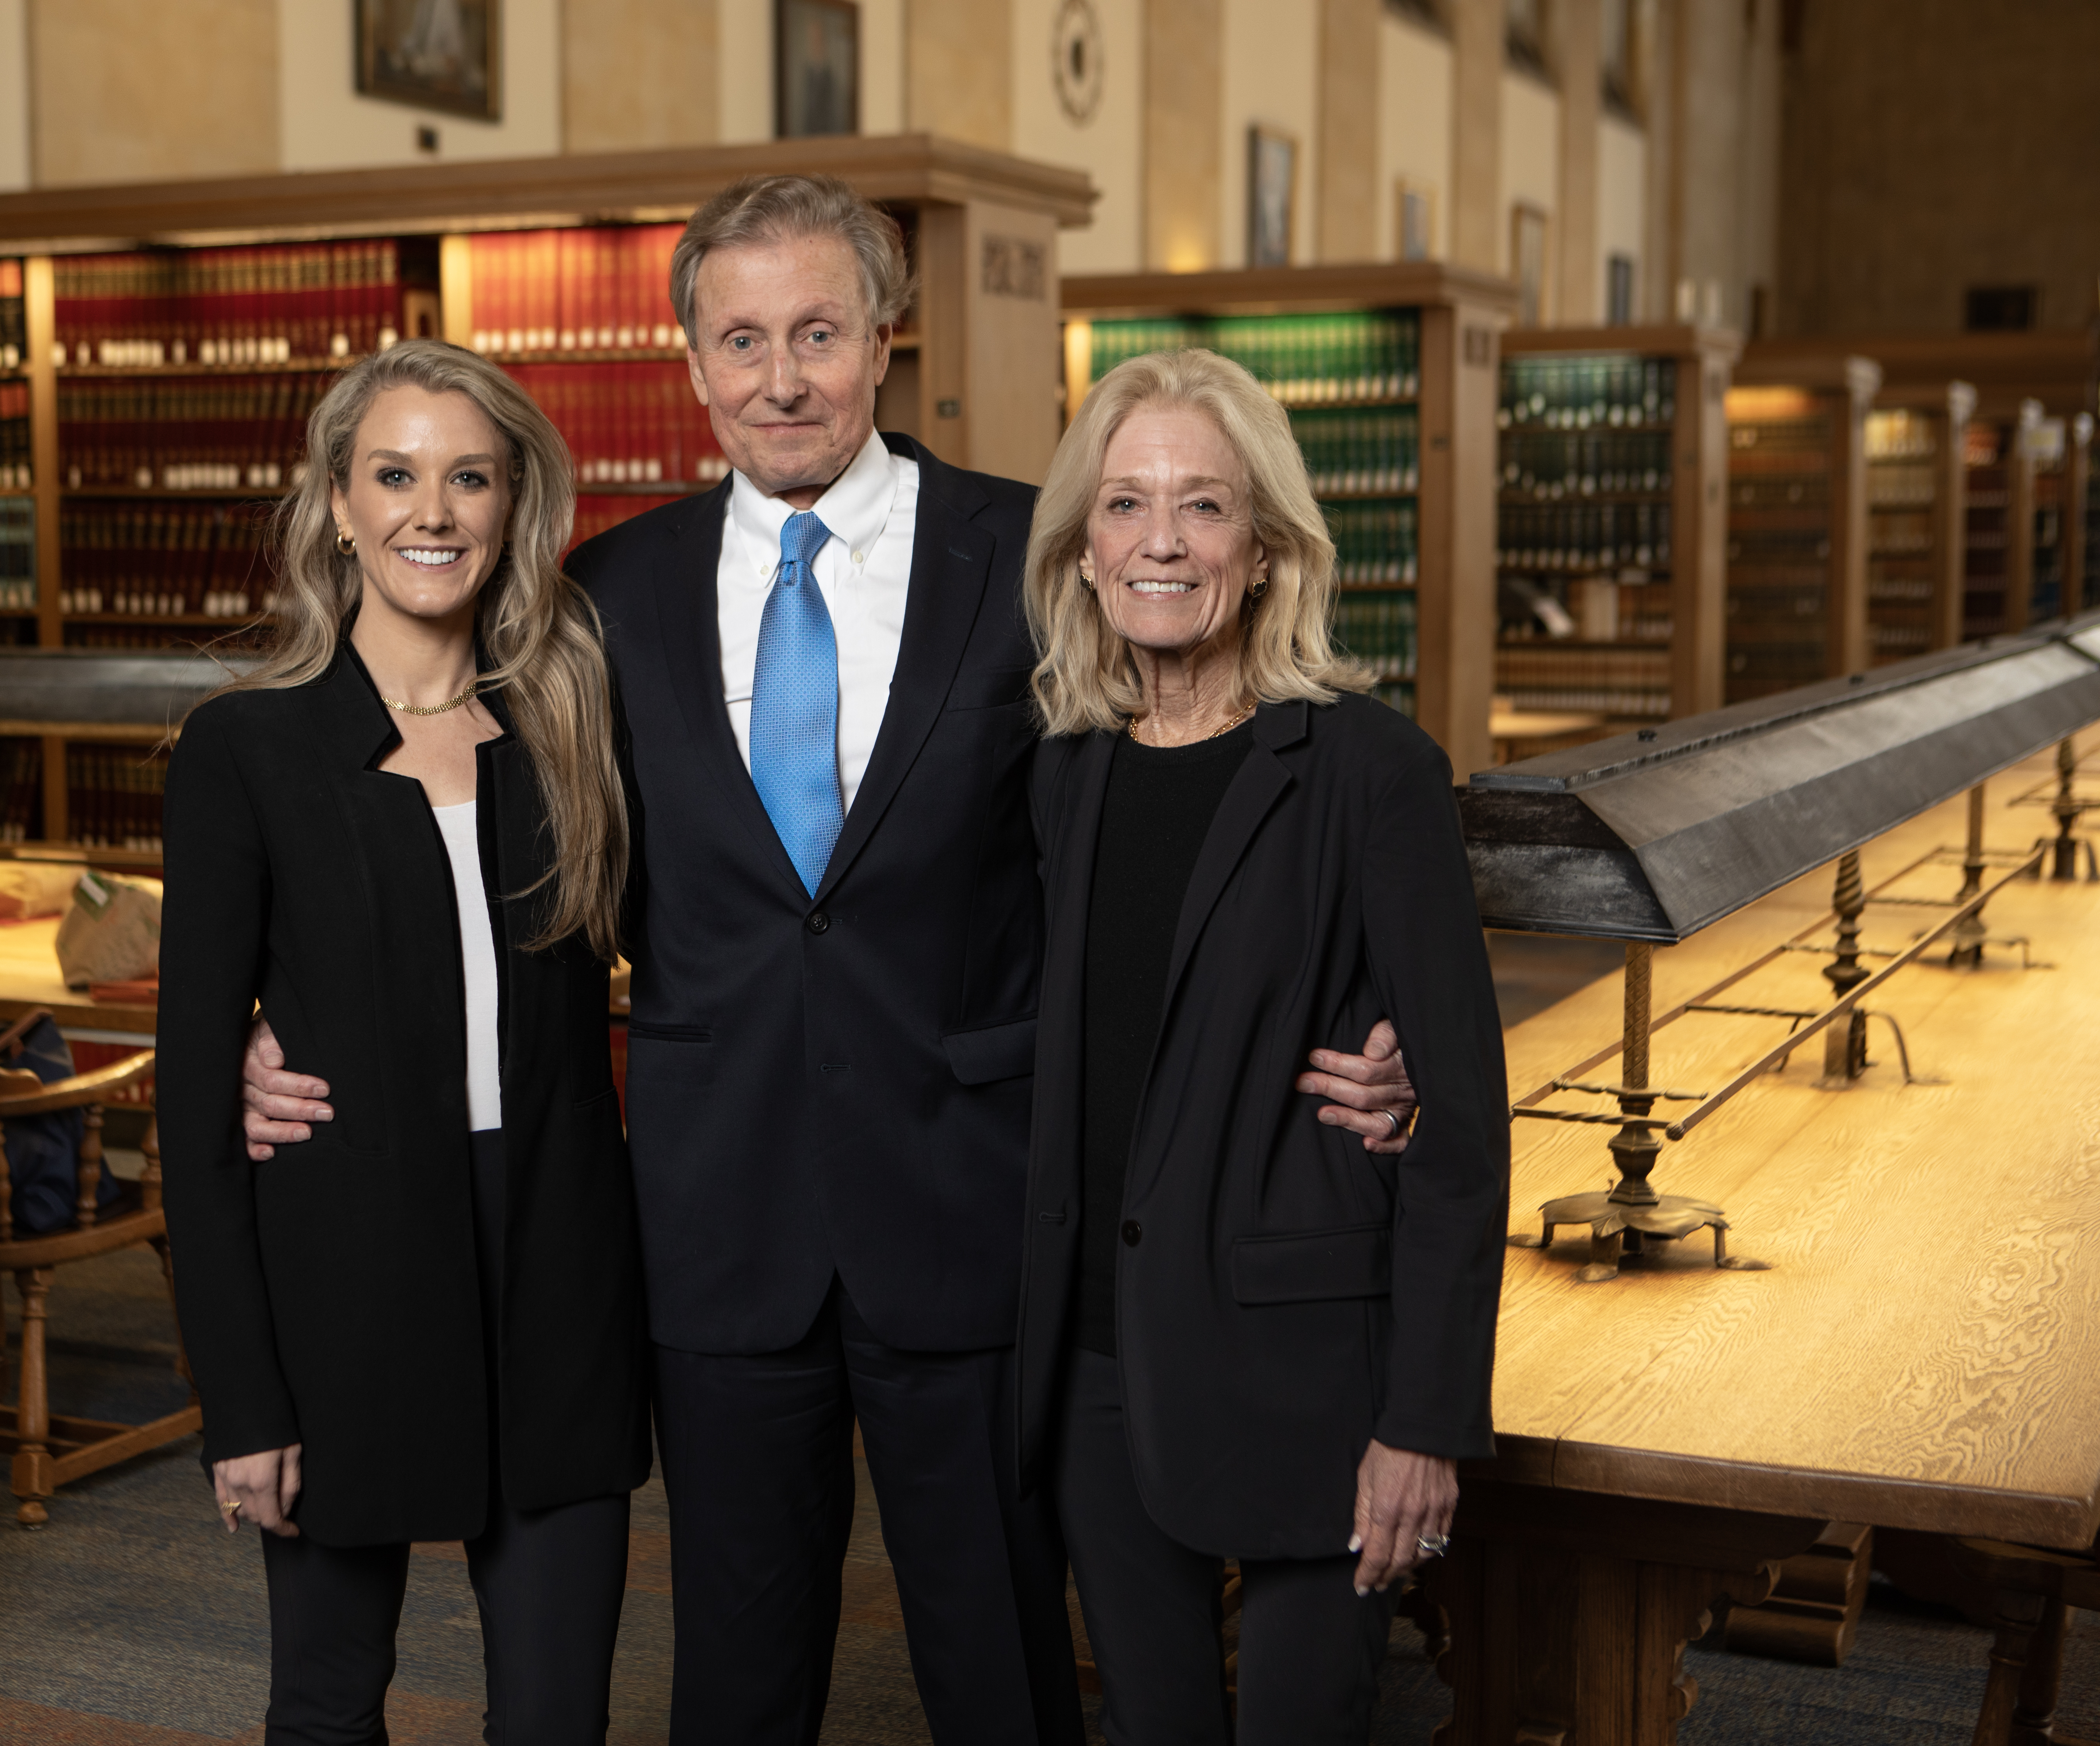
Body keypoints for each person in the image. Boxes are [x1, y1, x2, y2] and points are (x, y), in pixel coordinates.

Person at [237, 177, 1419, 1745]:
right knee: (735, 1677)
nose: (780, 377)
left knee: (1000, 1668)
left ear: (886, 337)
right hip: (715, 1231)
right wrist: (288, 1029)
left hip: (976, 1211)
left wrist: (1358, 1013)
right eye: (742, 339)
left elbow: (1195, 799)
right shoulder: (608, 595)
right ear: (693, 358)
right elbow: (493, 860)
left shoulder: (1035, 555)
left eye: (817, 332)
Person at [156, 340, 648, 1746]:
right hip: (344, 1284)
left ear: (512, 508)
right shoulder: (245, 750)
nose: (432, 511)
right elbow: (195, 1111)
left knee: (558, 1716)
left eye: (469, 477)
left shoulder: (572, 726)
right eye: (396, 474)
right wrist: (239, 1399)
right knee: (327, 1700)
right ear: (338, 502)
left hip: (559, 1274)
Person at [1014, 348, 1508, 1743]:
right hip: (1097, 1369)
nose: (1160, 540)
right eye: (1124, 505)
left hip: (1309, 1379)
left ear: (1271, 547)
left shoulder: (1370, 771)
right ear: (1085, 549)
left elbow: (1464, 1127)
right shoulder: (1064, 772)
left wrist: (1426, 1421)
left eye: (1204, 507)